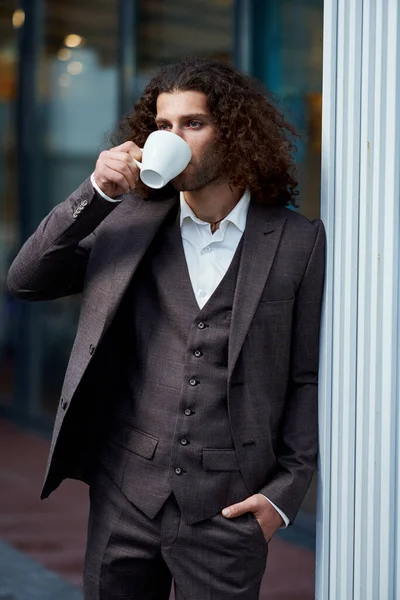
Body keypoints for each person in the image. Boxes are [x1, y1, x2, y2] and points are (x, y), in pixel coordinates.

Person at [8, 57, 325, 599]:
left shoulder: (297, 242)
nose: (172, 137)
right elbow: (27, 279)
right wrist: (97, 193)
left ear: (234, 135)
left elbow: (307, 376)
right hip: (125, 496)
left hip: (229, 509)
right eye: (162, 126)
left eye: (192, 124)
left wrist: (281, 497)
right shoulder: (126, 222)